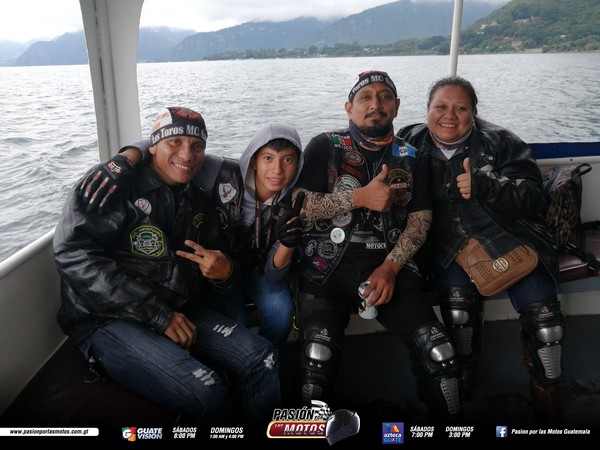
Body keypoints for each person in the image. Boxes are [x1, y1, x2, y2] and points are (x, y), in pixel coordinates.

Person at [54, 106, 281, 427]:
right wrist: (158, 316)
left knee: (262, 357)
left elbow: (220, 266)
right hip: (103, 318)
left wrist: (226, 273)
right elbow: (73, 253)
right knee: (208, 393)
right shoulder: (113, 186)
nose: (187, 155)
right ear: (153, 146)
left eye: (197, 146)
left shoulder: (196, 200)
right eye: (175, 142)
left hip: (174, 308)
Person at [292, 70, 461, 422]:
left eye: (384, 97)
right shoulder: (324, 145)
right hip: (325, 272)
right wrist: (359, 198)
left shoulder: (412, 156)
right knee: (316, 362)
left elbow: (421, 220)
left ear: (396, 107)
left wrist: (391, 267)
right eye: (365, 97)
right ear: (349, 108)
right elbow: (300, 206)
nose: (375, 104)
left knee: (441, 355)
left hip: (390, 270)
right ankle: (314, 429)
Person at [397, 76, 564, 425]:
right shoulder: (409, 142)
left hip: (510, 235)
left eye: (460, 108)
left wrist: (487, 186)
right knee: (458, 310)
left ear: (474, 112)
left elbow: (533, 198)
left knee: (545, 322)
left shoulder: (501, 142)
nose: (449, 115)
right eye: (440, 106)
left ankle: (545, 385)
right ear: (427, 110)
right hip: (448, 245)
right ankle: (467, 366)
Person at [80, 123, 305, 351]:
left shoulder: (297, 202)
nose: (277, 170)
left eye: (288, 160)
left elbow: (273, 273)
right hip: (215, 270)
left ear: (298, 165)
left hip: (258, 269)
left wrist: (288, 243)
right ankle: (238, 362)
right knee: (234, 323)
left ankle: (270, 357)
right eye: (268, 158)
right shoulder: (219, 171)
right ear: (254, 159)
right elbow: (171, 151)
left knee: (281, 313)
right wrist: (128, 156)